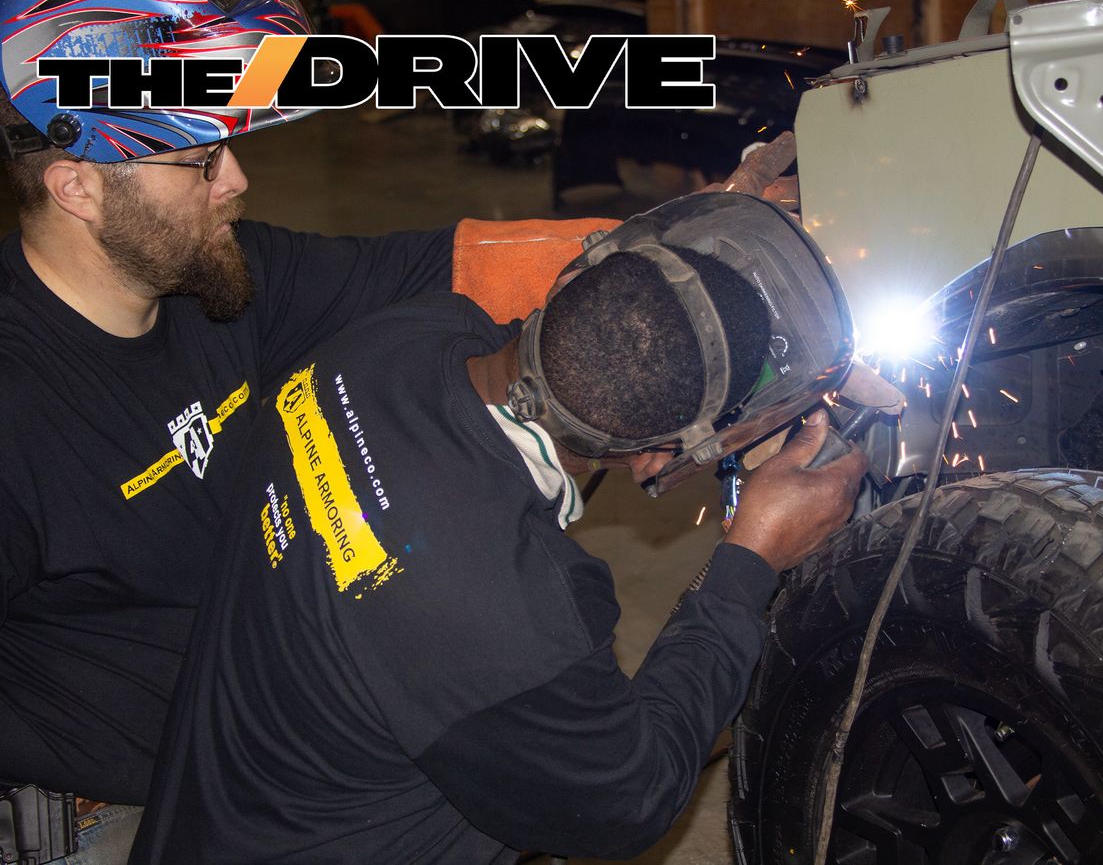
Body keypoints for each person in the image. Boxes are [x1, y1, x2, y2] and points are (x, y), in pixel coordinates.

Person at [128, 191, 868, 863]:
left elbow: (602, 354)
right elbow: (626, 800)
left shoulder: (402, 337)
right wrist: (749, 560)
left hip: (212, 820)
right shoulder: (508, 611)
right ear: (653, 459)